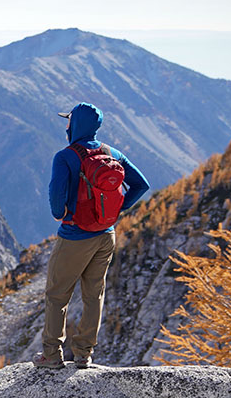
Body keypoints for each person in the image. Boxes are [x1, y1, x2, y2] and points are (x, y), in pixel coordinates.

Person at [32, 102, 149, 369]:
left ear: (74, 125)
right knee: (93, 294)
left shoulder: (66, 157)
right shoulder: (113, 153)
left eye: (68, 121)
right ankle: (84, 354)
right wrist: (117, 208)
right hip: (106, 234)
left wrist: (61, 213)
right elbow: (142, 184)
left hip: (75, 235)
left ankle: (52, 354)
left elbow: (56, 198)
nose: (66, 126)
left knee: (57, 295)